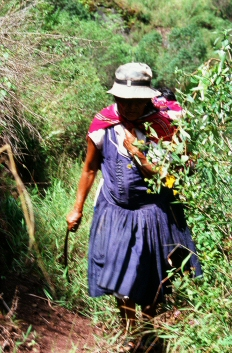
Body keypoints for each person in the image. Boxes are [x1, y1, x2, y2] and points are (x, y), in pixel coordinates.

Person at [66, 62, 202, 351]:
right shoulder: (104, 123)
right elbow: (90, 167)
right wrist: (76, 208)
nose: (128, 108)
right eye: (122, 101)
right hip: (114, 210)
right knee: (118, 271)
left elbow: (169, 174)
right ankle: (131, 332)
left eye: (135, 101)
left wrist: (138, 154)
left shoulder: (163, 128)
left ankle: (150, 332)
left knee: (150, 274)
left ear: (147, 98)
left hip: (151, 213)